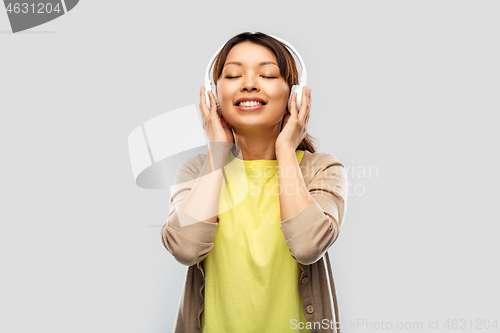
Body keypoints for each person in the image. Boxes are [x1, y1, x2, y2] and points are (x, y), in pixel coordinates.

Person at [161, 32, 348, 333]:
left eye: (268, 74)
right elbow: (184, 248)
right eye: (234, 74)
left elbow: (307, 246)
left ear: (294, 94)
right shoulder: (197, 171)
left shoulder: (320, 169)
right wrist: (218, 152)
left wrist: (286, 150)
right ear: (213, 94)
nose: (249, 83)